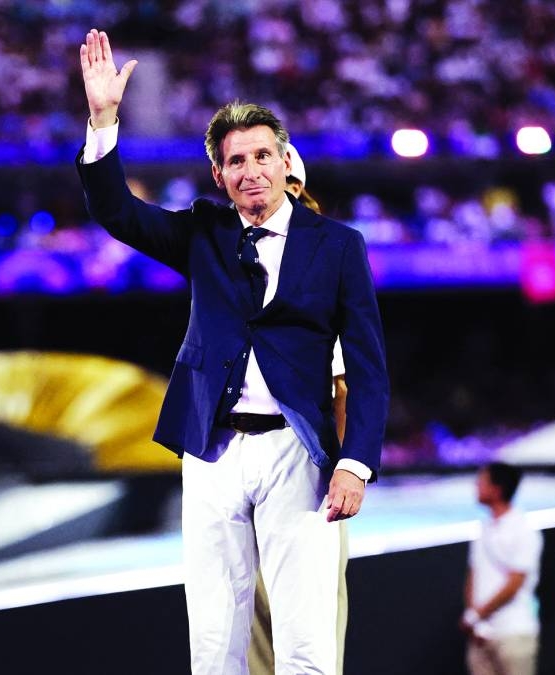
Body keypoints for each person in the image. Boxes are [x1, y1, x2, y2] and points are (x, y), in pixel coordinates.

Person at [77, 29, 389, 674]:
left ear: (283, 161)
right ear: (219, 174)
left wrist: (355, 463)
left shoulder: (338, 245)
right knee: (215, 640)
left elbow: (367, 363)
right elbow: (117, 213)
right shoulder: (203, 233)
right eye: (236, 161)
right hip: (214, 448)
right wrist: (104, 120)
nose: (251, 171)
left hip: (296, 451)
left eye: (262, 156)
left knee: (306, 641)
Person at [247, 143, 351, 675]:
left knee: (309, 627)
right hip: (247, 466)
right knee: (253, 626)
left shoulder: (322, 272)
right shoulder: (244, 270)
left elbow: (343, 387)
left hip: (307, 473)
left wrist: (338, 470)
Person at [460, 462, 542, 675]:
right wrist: (475, 620)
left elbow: (515, 583)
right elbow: (474, 574)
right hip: (481, 634)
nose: (476, 486)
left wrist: (476, 615)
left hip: (514, 632)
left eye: (481, 482)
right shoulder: (484, 528)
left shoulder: (523, 530)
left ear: (497, 489)